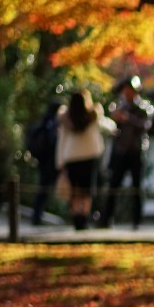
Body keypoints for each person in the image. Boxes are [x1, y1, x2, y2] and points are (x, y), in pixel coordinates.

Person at [95, 77, 153, 229]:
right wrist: (116, 119)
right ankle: (107, 219)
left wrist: (128, 118)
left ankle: (137, 220)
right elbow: (113, 127)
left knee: (136, 187)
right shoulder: (119, 106)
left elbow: (145, 125)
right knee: (114, 185)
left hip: (136, 151)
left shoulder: (143, 107)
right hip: (120, 151)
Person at [56, 89, 115, 230]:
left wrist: (60, 161)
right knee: (87, 190)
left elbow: (61, 140)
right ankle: (84, 216)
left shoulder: (66, 118)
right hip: (89, 155)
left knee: (75, 190)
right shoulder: (93, 116)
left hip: (71, 156)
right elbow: (109, 126)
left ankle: (76, 217)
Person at [24, 101, 60, 225]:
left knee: (43, 190)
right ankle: (37, 217)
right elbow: (51, 142)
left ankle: (37, 215)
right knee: (48, 189)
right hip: (51, 161)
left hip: (44, 161)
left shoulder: (44, 120)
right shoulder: (53, 123)